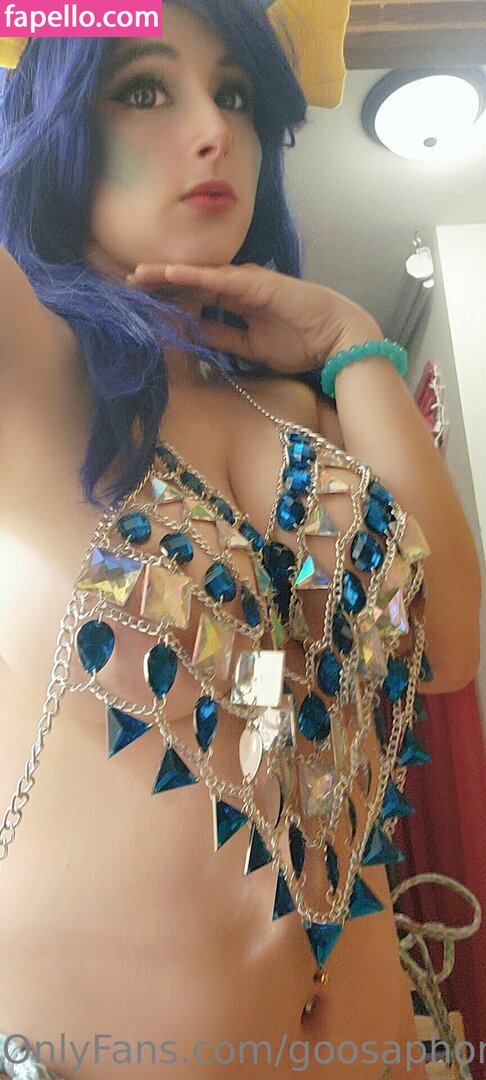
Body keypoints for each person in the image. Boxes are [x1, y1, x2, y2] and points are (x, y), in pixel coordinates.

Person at [0, 2, 481, 1078]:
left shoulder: (310, 408)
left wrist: (354, 339)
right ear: (57, 126)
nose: (214, 130)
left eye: (236, 94)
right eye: (142, 89)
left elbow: (449, 645)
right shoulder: (27, 375)